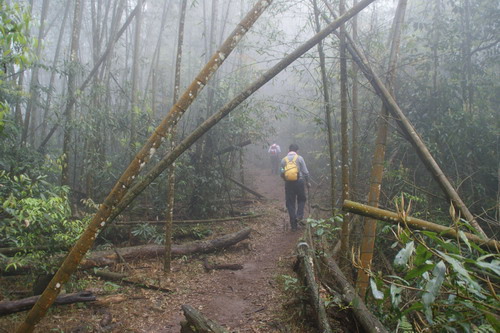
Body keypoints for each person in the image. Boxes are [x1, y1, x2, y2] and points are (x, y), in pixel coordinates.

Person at [280, 144, 310, 231]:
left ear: (289, 150)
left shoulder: (283, 160)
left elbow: (281, 173)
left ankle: (293, 226)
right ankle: (299, 216)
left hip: (289, 183)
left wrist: (285, 179)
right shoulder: (299, 158)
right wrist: (308, 182)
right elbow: (305, 172)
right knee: (302, 199)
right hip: (299, 182)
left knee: (290, 203)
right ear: (297, 151)